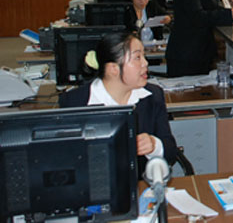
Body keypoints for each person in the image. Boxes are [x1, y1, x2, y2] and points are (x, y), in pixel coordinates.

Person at [59, 32, 177, 178]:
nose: (145, 63)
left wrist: (154, 145)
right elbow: (66, 162)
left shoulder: (152, 96)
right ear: (113, 69)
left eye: (144, 56)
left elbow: (171, 153)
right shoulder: (75, 103)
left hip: (141, 185)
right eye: (137, 57)